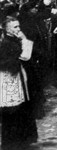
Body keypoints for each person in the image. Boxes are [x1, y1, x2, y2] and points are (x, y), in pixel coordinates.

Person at [0, 17, 38, 149]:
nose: (19, 29)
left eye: (18, 26)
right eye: (15, 27)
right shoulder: (6, 43)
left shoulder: (12, 40)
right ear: (6, 28)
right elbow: (24, 56)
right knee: (12, 111)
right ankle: (14, 142)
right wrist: (23, 42)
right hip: (10, 79)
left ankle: (22, 140)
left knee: (21, 109)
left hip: (18, 77)